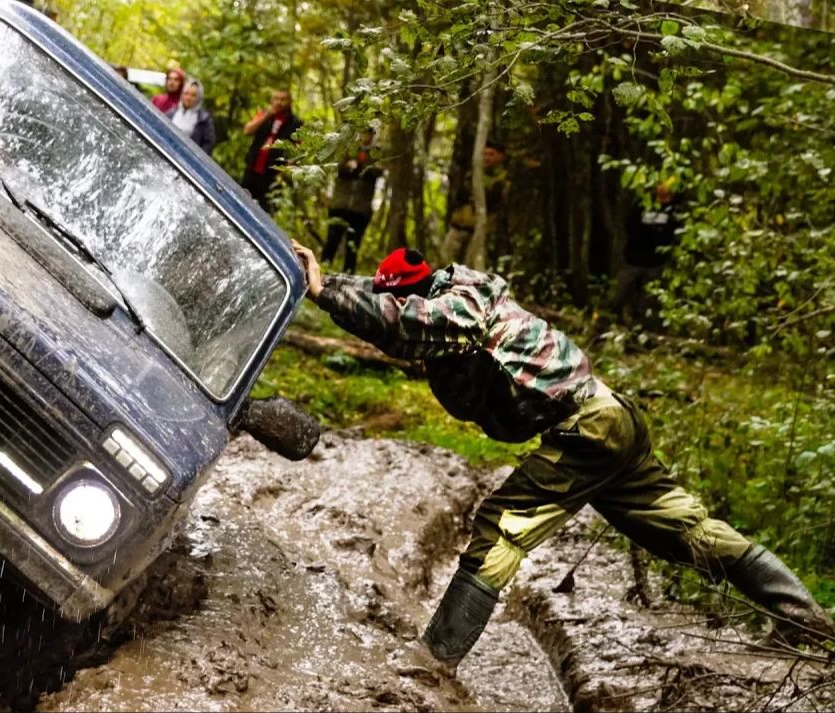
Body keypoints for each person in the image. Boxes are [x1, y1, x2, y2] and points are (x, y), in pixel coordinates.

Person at [291, 242, 835, 669]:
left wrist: (324, 297)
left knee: (499, 529)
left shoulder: (458, 307)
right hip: (609, 417)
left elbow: (402, 320)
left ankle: (436, 658)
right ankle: (804, 619)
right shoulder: (452, 288)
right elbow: (390, 300)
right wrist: (325, 279)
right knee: (685, 529)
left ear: (423, 291)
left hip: (587, 431)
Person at [611, 180, 681, 324]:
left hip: (655, 264)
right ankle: (612, 323)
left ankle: (639, 332)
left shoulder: (674, 210)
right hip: (634, 260)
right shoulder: (643, 204)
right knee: (618, 297)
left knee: (646, 304)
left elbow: (672, 234)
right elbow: (630, 225)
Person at [440, 140, 509, 269]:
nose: (487, 158)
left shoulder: (502, 179)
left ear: (501, 157)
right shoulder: (472, 173)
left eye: (491, 154)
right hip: (459, 226)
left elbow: (496, 203)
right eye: (485, 154)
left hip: (479, 230)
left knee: (470, 266)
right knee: (445, 260)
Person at [321, 128, 382, 273]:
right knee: (331, 242)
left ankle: (347, 278)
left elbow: (377, 172)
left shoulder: (376, 153)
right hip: (340, 205)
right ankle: (321, 273)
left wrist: (361, 167)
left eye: (368, 133)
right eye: (363, 132)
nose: (364, 136)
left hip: (360, 210)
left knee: (352, 248)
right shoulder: (348, 148)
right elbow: (340, 167)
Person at [240, 88, 302, 212]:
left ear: (290, 101)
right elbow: (247, 130)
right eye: (276, 99)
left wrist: (284, 172)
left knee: (265, 212)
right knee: (241, 204)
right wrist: (266, 115)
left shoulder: (296, 124)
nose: (279, 102)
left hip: (272, 177)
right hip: (252, 171)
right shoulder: (264, 115)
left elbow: (299, 152)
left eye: (283, 99)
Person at [167, 79, 216, 155]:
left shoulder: (203, 119)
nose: (188, 98)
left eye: (193, 95)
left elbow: (208, 144)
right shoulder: (171, 113)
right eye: (186, 93)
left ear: (199, 97)